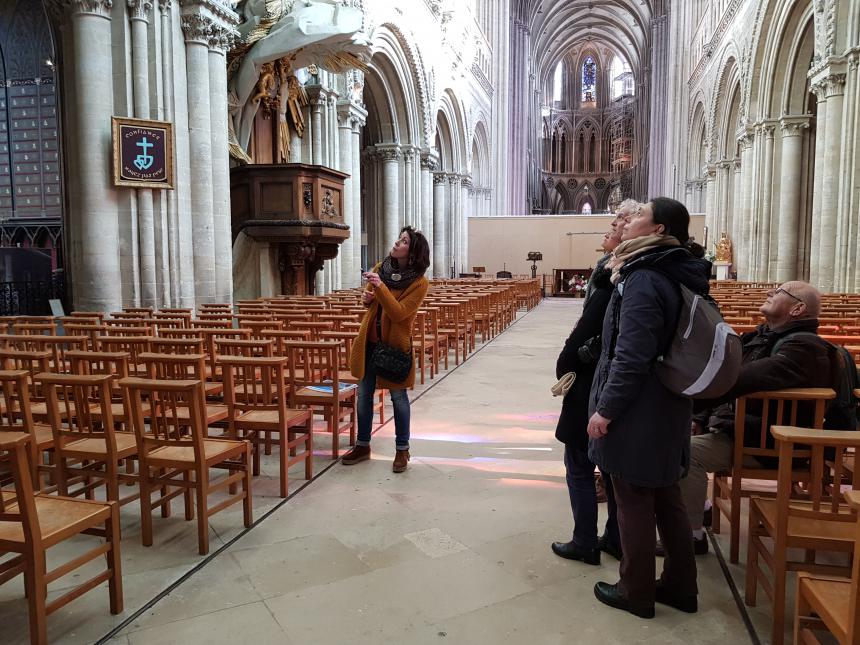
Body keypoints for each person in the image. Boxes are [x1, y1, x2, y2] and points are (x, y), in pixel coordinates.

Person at [587, 197, 710, 619]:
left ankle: (635, 589)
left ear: (658, 230)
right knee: (666, 495)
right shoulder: (677, 270)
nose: (628, 221)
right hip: (668, 402)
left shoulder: (644, 277)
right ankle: (680, 585)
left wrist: (606, 409)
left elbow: (632, 354)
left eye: (639, 215)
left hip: (641, 408)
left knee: (634, 497)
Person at [672, 281, 831, 555]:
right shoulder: (764, 336)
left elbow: (736, 380)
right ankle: (703, 508)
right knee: (671, 440)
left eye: (779, 292)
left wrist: (684, 398)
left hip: (770, 443)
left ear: (798, 309)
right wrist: (698, 415)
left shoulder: (804, 348)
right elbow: (725, 375)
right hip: (742, 430)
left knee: (685, 453)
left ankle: (690, 537)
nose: (770, 292)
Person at [551, 201, 638, 565]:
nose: (612, 225)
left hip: (595, 382)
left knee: (579, 462)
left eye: (621, 222)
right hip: (604, 379)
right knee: (611, 468)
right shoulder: (627, 275)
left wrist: (569, 361)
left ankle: (585, 540)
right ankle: (614, 539)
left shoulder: (620, 277)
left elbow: (600, 328)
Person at [341, 226, 430, 473]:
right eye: (399, 239)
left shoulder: (420, 283)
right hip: (369, 342)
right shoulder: (383, 268)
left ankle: (402, 449)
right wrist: (367, 297)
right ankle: (363, 445)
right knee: (363, 396)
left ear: (412, 253)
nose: (397, 243)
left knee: (399, 398)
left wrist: (379, 289)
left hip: (394, 347)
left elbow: (399, 313)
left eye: (403, 241)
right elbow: (368, 299)